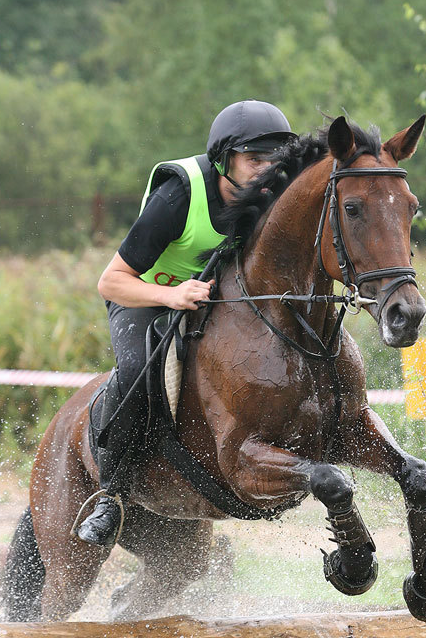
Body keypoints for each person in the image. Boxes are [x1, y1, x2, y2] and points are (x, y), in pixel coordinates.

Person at [77, 99, 295, 548]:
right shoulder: (179, 195)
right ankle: (111, 495)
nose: (266, 170)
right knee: (139, 369)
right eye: (254, 159)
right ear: (223, 160)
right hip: (144, 298)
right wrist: (171, 295)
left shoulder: (274, 193)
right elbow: (111, 281)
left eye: (274, 160)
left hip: (212, 300)